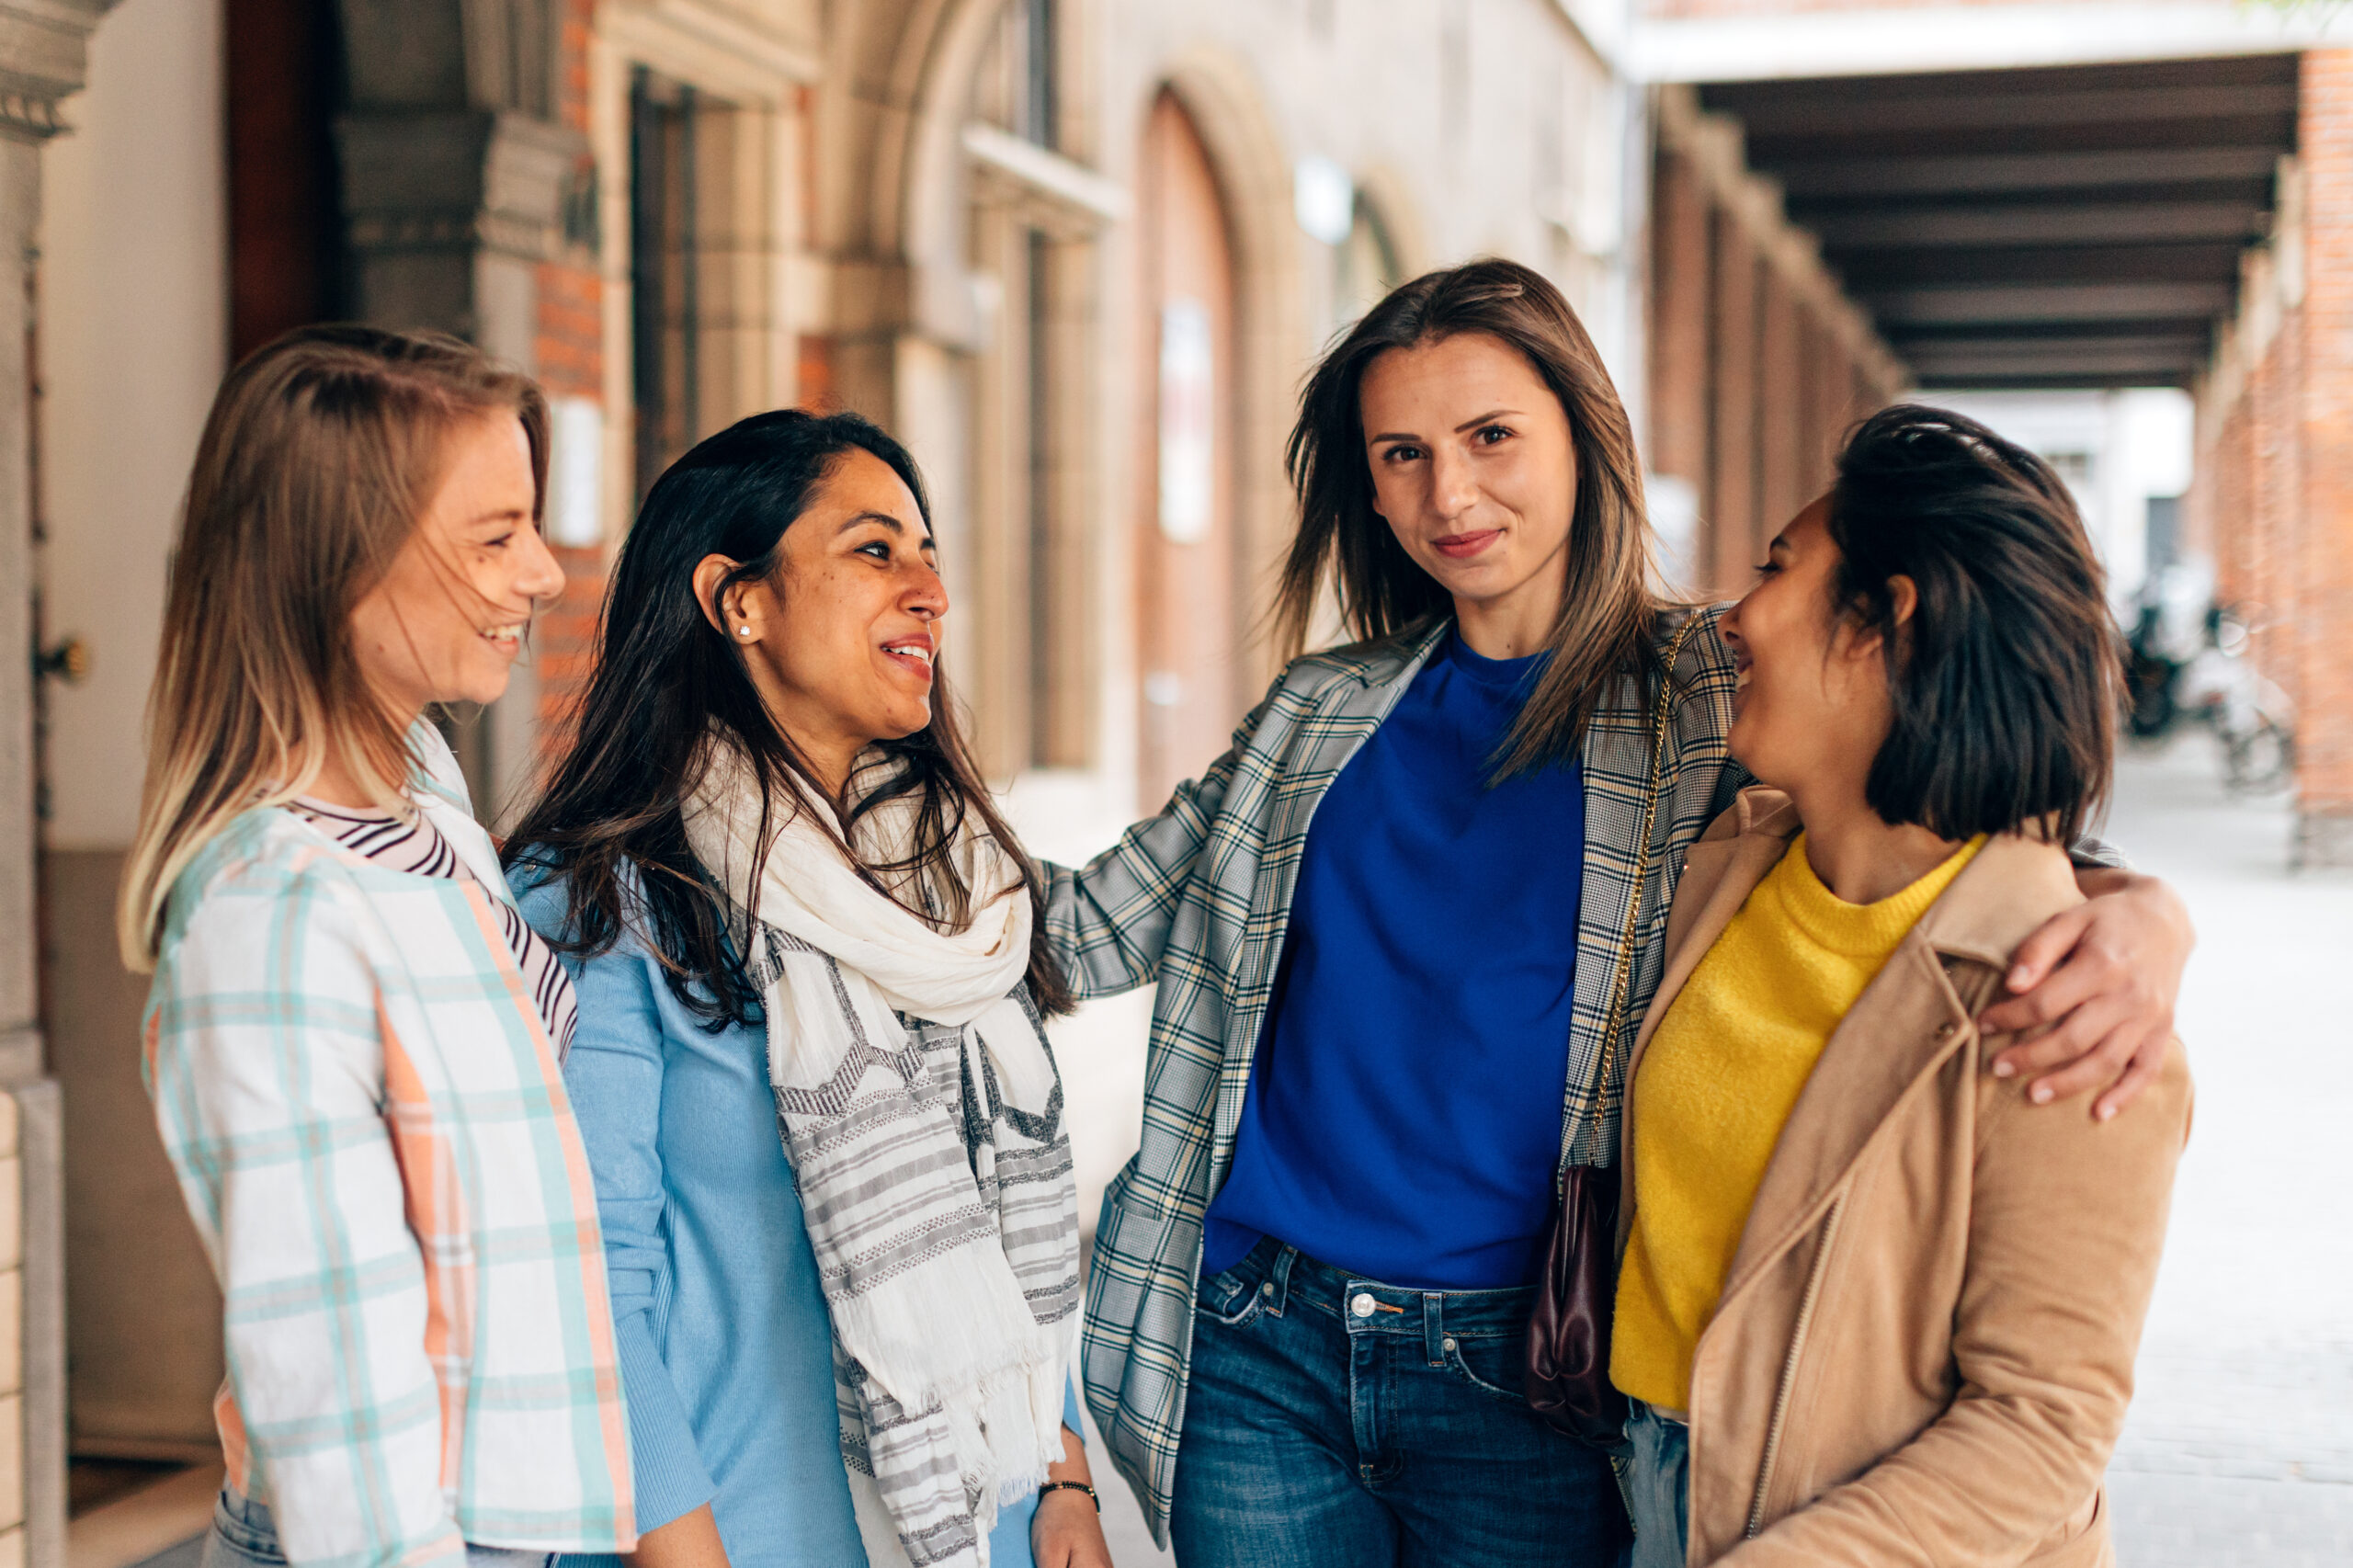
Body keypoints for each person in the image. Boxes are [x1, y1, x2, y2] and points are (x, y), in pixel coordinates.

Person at [1046, 260, 2196, 1567]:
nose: (1450, 494)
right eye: (1402, 453)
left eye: (1491, 437)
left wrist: (2147, 914)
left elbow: (1945, 821)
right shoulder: (1321, 713)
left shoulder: (1713, 695)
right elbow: (1079, 929)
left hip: (1524, 1364)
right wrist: (815, 809)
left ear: (1587, 439)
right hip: (1264, 1337)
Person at [502, 410, 1112, 1568]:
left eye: (930, 554)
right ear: (740, 600)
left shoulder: (953, 886)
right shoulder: (600, 898)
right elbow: (586, 1286)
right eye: (876, 551)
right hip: (731, 1533)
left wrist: (1064, 1476)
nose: (929, 590)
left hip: (978, 1528)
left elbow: (996, 1221)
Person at [1609, 404, 2192, 1565]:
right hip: (1631, 1483)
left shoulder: (2067, 1007)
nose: (1734, 615)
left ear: (1883, 620)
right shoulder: (1727, 857)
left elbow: (2040, 1425)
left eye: (1778, 568)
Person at [125, 326, 636, 1568]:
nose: (546, 576)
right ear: (337, 560)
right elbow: (332, 1357)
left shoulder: (423, 796)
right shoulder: (271, 908)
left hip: (524, 1524)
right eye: (494, 535)